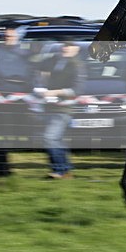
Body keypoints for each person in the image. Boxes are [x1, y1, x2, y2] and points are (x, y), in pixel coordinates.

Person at [36, 41, 85, 179]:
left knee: (49, 138)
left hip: (64, 109)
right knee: (57, 140)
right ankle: (64, 170)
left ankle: (59, 170)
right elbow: (40, 69)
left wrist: (55, 92)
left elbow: (76, 90)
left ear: (76, 50)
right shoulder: (55, 61)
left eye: (69, 46)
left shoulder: (77, 66)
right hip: (50, 106)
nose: (66, 49)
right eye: (64, 46)